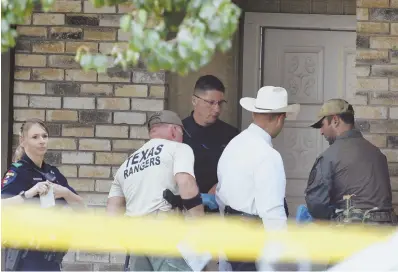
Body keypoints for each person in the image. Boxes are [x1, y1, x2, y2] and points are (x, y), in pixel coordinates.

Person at [106, 110, 205, 271]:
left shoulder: (126, 164)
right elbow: (186, 182)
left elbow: (112, 213)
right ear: (174, 130)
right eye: (181, 132)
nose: (182, 137)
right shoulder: (178, 148)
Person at [216, 86, 300, 271]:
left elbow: (221, 193)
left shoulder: (234, 144)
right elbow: (272, 209)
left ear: (254, 113)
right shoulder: (268, 155)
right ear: (280, 118)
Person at [1, 118, 85, 271]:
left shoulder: (53, 173)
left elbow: (81, 206)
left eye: (44, 136)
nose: (42, 141)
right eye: (35, 137)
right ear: (23, 140)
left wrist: (65, 193)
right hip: (26, 260)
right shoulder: (18, 171)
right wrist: (28, 194)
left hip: (52, 260)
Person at [304, 99, 397, 225]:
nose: (321, 131)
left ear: (335, 121)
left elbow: (316, 205)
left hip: (353, 233)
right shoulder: (378, 154)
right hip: (387, 232)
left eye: (322, 125)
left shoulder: (328, 157)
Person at [182, 75, 240, 195]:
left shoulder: (231, 135)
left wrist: (220, 186)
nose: (217, 109)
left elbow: (240, 171)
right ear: (194, 100)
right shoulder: (179, 132)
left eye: (220, 103)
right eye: (211, 103)